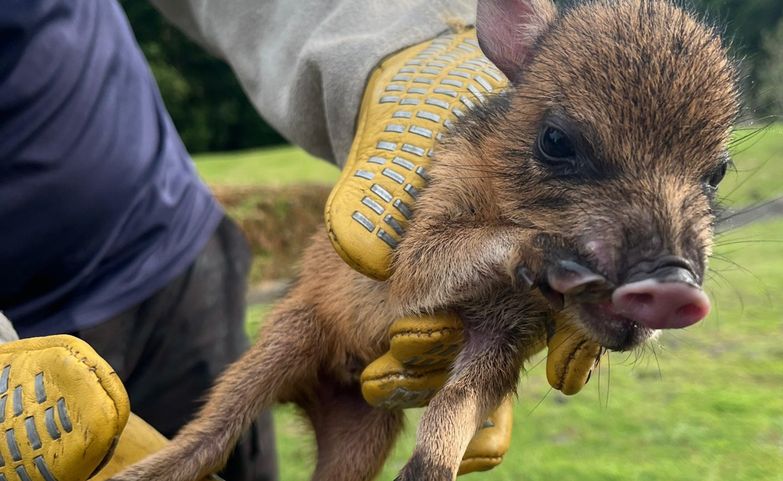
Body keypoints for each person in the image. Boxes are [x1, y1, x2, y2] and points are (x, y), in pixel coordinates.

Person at [1, 1, 596, 480]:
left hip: (160, 241)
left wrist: (401, 40)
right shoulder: (493, 184)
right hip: (309, 319)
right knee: (201, 446)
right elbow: (423, 270)